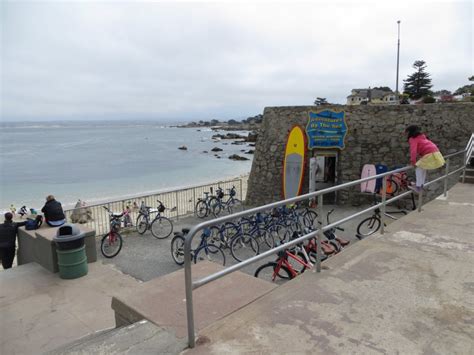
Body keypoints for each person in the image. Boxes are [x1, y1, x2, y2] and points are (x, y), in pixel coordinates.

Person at [405, 125, 445, 192]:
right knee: (423, 168)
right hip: (435, 152)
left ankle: (418, 187)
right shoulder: (422, 137)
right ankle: (420, 185)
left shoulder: (413, 139)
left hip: (429, 153)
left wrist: (413, 162)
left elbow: (413, 151)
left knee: (418, 168)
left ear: (410, 132)